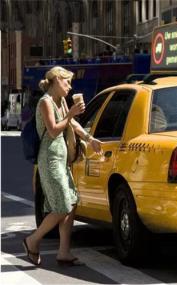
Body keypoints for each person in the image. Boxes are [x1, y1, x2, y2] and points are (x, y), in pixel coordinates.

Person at [22, 66, 102, 266]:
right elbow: (53, 131)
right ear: (57, 80)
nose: (70, 86)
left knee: (72, 201)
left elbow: (72, 124)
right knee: (62, 205)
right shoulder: (45, 102)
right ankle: (32, 240)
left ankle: (64, 252)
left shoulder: (61, 102)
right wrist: (70, 114)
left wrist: (90, 138)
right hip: (49, 160)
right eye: (67, 82)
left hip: (62, 160)